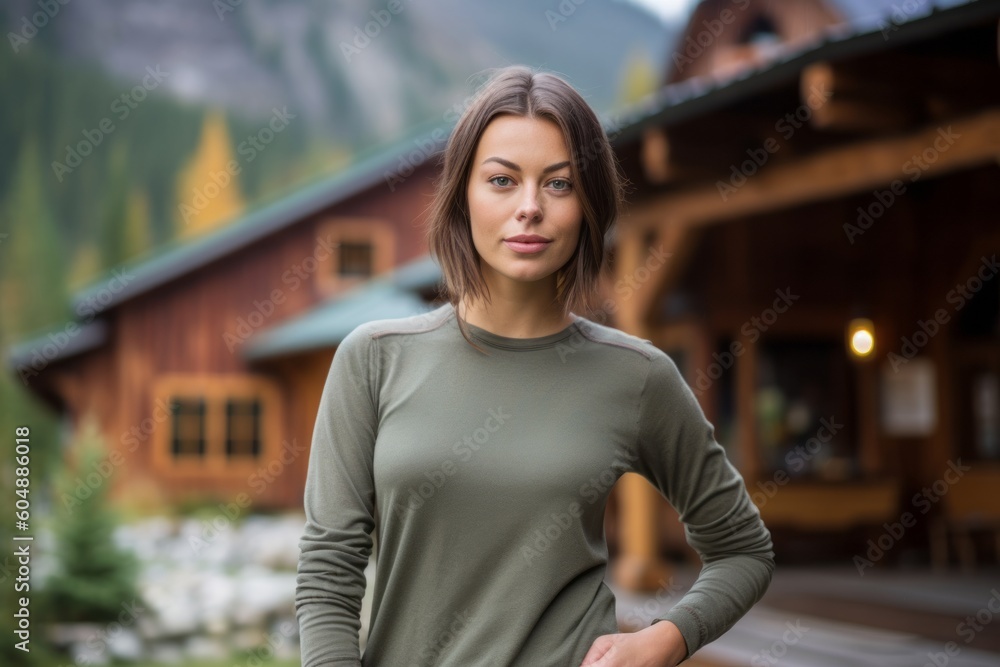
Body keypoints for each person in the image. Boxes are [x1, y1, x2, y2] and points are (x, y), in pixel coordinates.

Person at [295, 64, 774, 667]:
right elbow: (327, 572)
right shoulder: (373, 359)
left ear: (588, 204)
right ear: (462, 196)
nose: (529, 208)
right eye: (501, 180)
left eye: (558, 184)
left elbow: (744, 550)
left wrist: (663, 640)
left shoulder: (636, 377)